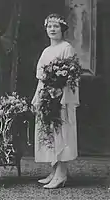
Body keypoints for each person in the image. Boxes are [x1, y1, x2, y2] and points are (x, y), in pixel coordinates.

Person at [31, 13, 79, 189]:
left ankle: (62, 174)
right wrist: (37, 96)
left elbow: (72, 76)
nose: (52, 29)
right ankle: (54, 170)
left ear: (62, 29)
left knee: (61, 132)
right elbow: (41, 78)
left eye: (56, 26)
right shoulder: (46, 51)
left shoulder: (67, 48)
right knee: (49, 133)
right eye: (49, 26)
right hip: (46, 95)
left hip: (61, 97)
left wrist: (60, 92)